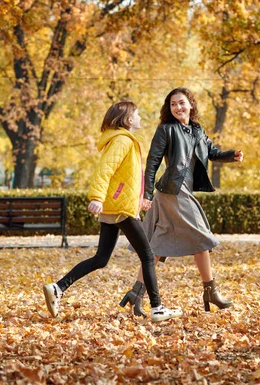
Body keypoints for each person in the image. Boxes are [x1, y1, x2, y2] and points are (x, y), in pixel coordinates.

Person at [43, 101, 182, 323]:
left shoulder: (122, 141)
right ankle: (157, 308)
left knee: (101, 258)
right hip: (118, 208)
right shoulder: (122, 141)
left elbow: (126, 176)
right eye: (136, 114)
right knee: (148, 255)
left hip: (118, 205)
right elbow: (105, 169)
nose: (139, 118)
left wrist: (139, 201)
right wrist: (97, 197)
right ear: (128, 120)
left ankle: (58, 288)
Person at [119, 87, 244, 317]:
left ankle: (136, 292)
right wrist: (146, 195)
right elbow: (153, 162)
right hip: (172, 192)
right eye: (173, 104)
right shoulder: (165, 130)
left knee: (157, 247)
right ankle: (211, 292)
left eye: (182, 103)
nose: (178, 107)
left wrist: (230, 155)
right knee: (202, 237)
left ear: (191, 105)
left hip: (183, 191)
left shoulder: (197, 130)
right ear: (169, 108)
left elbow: (211, 152)